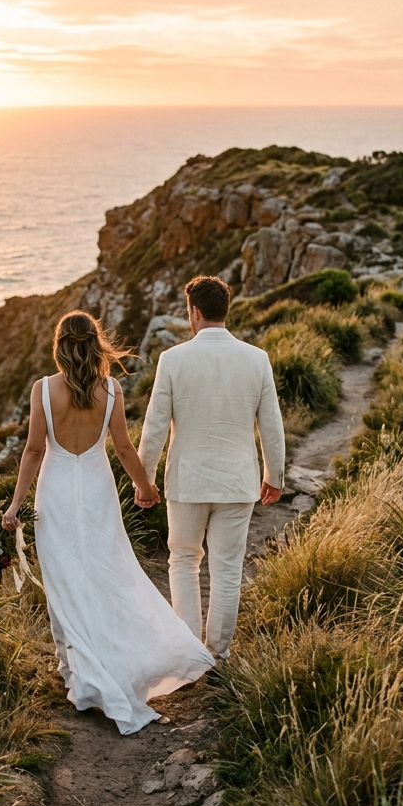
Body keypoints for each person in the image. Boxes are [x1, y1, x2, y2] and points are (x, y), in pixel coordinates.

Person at [1, 310, 213, 735]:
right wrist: (145, 486)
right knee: (108, 575)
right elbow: (122, 447)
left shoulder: (42, 390)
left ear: (59, 347)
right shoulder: (111, 390)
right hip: (97, 493)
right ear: (96, 345)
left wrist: (13, 506)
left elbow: (33, 452)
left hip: (55, 496)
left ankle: (78, 674)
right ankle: (105, 664)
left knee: (65, 582)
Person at [138, 275, 285, 660]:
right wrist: (274, 476)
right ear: (225, 311)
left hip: (186, 482)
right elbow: (271, 423)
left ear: (195, 312)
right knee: (227, 571)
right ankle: (218, 654)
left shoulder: (172, 360)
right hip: (238, 483)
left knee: (184, 561)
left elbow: (154, 426)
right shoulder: (257, 359)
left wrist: (144, 480)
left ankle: (189, 653)